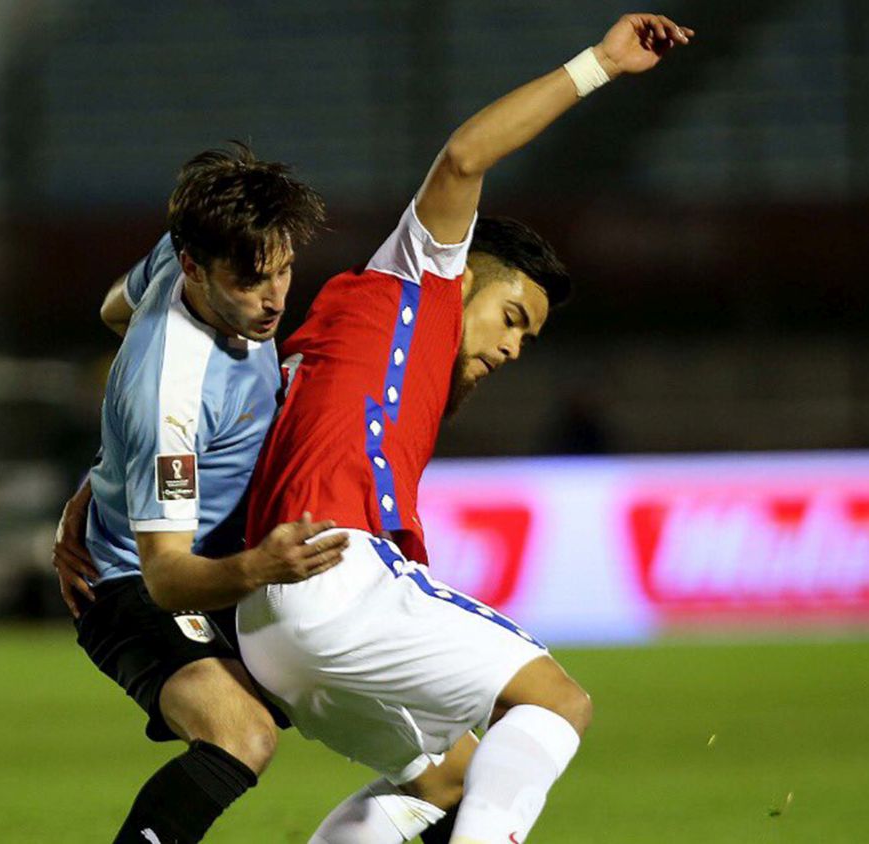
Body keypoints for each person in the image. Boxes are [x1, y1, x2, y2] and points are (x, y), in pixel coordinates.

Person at [236, 14, 693, 844]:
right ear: (463, 272)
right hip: (336, 579)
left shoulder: (348, 348)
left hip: (267, 621)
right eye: (513, 316)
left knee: (446, 779)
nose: (514, 347)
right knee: (557, 701)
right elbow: (464, 158)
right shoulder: (415, 283)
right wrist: (600, 64)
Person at [52, 144, 474, 844]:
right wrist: (261, 565)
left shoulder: (182, 256)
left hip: (238, 564)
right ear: (195, 267)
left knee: (451, 769)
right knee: (238, 734)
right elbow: (165, 576)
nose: (276, 298)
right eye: (252, 282)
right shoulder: (172, 400)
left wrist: (113, 469)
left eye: (283, 270)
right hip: (139, 583)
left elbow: (110, 309)